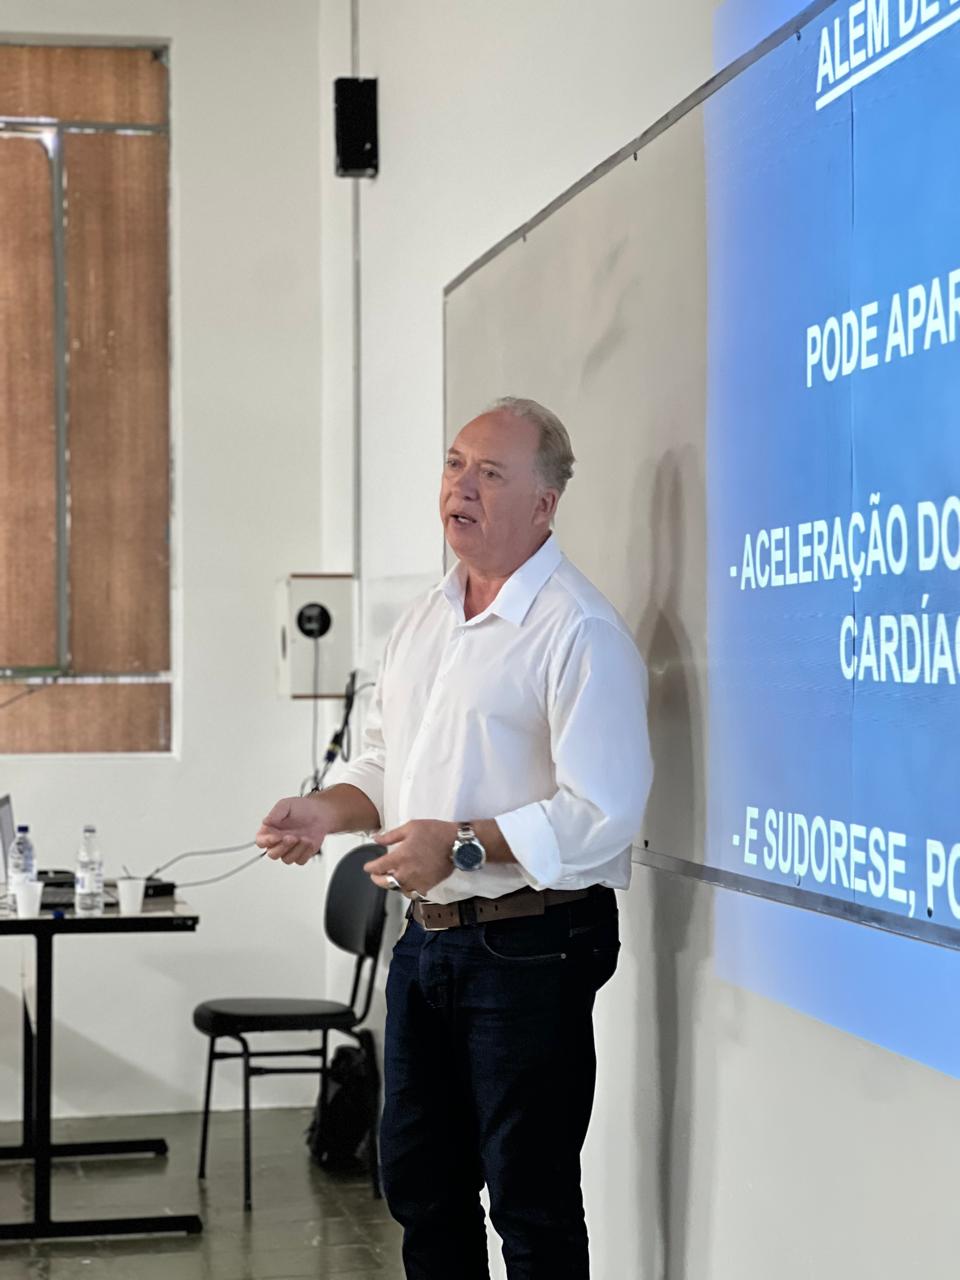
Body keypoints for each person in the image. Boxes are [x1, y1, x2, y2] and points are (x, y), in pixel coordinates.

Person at [257, 397, 652, 1280]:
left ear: (545, 503)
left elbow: (605, 811)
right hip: (427, 940)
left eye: (490, 473)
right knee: (421, 1189)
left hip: (533, 944)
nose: (460, 487)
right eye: (454, 464)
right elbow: (386, 759)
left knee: (530, 1204)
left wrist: (461, 846)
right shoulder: (425, 619)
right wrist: (327, 810)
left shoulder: (579, 630)